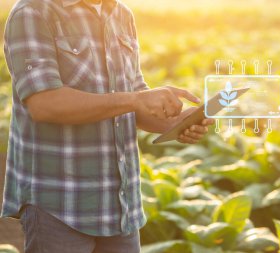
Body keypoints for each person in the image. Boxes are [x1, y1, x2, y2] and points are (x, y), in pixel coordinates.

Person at [1, 0, 214, 252]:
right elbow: (45, 104)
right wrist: (136, 99)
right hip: (59, 207)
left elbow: (133, 99)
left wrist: (176, 122)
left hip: (120, 209)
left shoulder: (121, 13)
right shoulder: (33, 12)